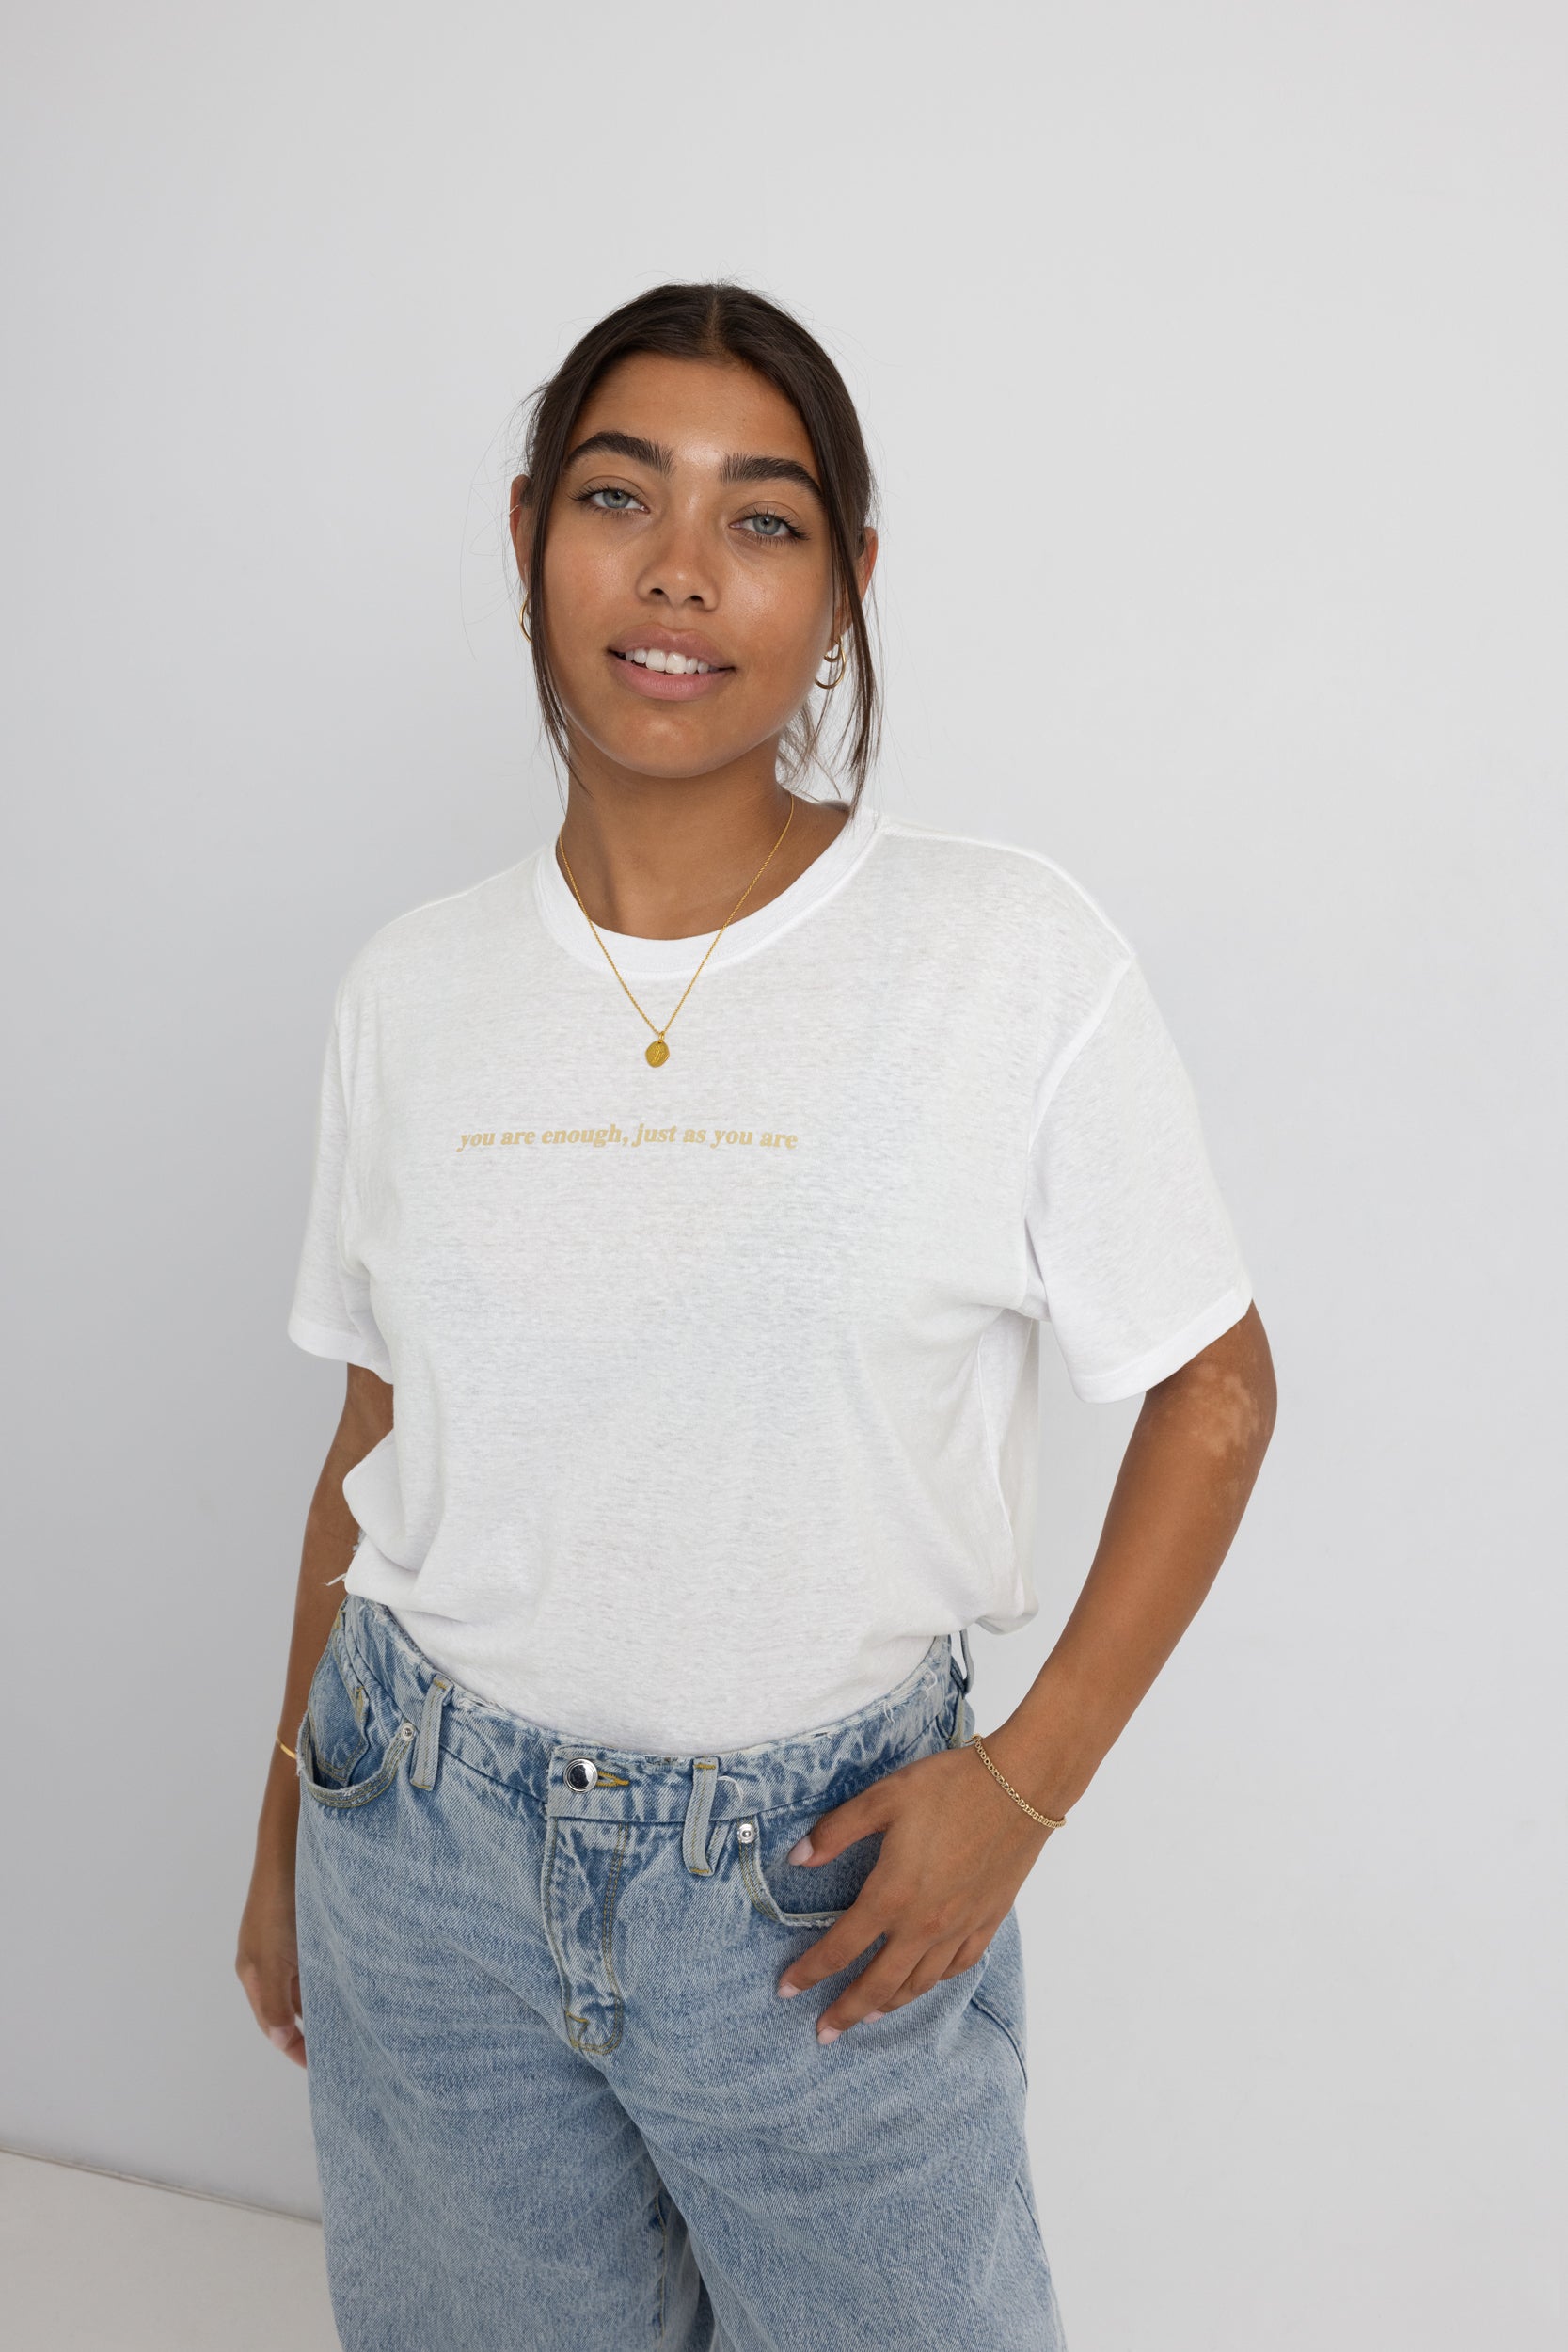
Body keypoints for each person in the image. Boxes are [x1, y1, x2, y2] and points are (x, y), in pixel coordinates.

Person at [236, 280, 1276, 2352]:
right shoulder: (411, 992)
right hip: (418, 1855)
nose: (682, 570)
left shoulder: (1002, 957)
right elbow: (375, 1437)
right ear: (530, 532)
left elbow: (1216, 1396)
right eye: (620, 496)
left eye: (763, 519)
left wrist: (1021, 1790)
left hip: (821, 1892)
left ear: (847, 580)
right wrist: (283, 1828)